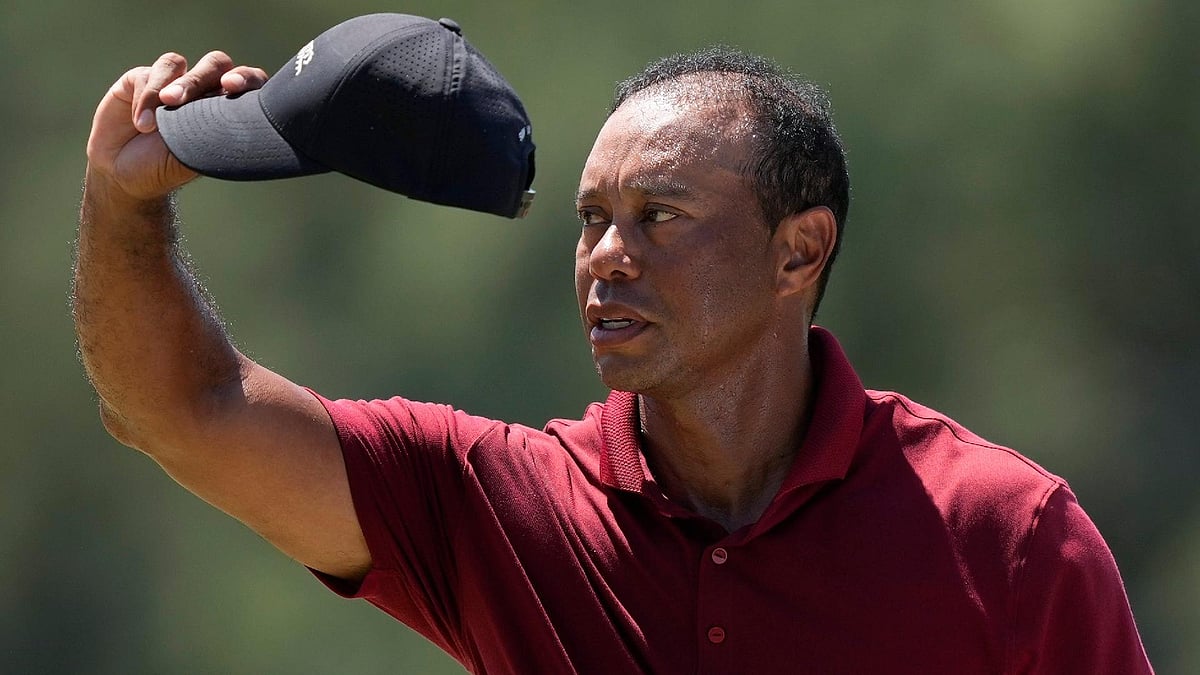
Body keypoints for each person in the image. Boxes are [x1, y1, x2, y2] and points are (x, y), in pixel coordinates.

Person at [74, 24, 1153, 675]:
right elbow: (180, 410)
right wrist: (125, 202)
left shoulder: (1007, 536)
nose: (606, 257)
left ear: (799, 252)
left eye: (661, 217)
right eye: (591, 219)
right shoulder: (498, 507)